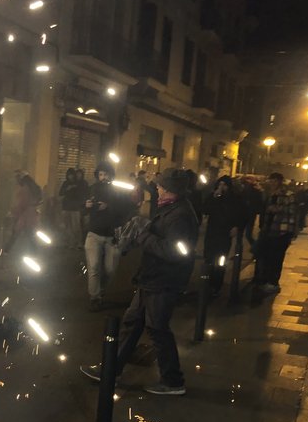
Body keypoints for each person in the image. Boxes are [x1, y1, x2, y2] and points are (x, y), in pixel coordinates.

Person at [80, 168, 199, 395]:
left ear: (170, 190)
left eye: (160, 186)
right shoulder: (170, 208)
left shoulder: (181, 216)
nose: (157, 189)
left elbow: (175, 251)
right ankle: (111, 370)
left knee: (158, 329)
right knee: (132, 322)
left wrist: (143, 235)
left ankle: (173, 381)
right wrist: (141, 227)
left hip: (164, 281)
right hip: (152, 278)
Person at [84, 161, 137, 311]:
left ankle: (101, 290)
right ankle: (95, 298)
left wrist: (108, 207)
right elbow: (83, 209)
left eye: (106, 174)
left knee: (110, 269)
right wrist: (86, 206)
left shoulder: (118, 191)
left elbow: (127, 210)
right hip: (93, 233)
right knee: (94, 267)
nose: (103, 177)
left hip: (112, 236)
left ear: (111, 175)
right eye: (100, 174)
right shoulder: (92, 188)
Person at [202, 176, 248, 296]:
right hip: (212, 232)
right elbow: (205, 209)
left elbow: (243, 214)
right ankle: (206, 283)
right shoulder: (214, 197)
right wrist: (213, 197)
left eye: (224, 185)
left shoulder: (235, 200)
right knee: (209, 258)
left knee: (220, 259)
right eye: (220, 184)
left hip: (224, 233)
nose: (222, 187)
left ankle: (216, 285)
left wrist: (237, 226)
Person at [255, 173, 298, 294]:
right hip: (268, 230)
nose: (272, 183)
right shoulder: (269, 195)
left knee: (276, 259)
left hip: (281, 232)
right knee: (266, 257)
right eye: (271, 181)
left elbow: (292, 213)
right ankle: (265, 280)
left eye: (275, 181)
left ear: (280, 181)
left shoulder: (288, 195)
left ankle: (273, 283)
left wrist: (290, 233)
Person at [5, 171, 40, 255]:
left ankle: (6, 250)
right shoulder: (33, 187)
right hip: (32, 214)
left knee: (16, 232)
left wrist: (12, 212)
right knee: (30, 233)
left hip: (25, 215)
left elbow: (21, 203)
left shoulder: (24, 189)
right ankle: (34, 251)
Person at [60, 168, 87, 248]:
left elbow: (81, 195)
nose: (70, 176)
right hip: (66, 207)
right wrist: (67, 189)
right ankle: (70, 243)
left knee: (76, 227)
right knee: (67, 226)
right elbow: (61, 193)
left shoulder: (78, 183)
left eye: (72, 175)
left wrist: (74, 188)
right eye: (69, 175)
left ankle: (79, 243)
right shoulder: (65, 183)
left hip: (75, 208)